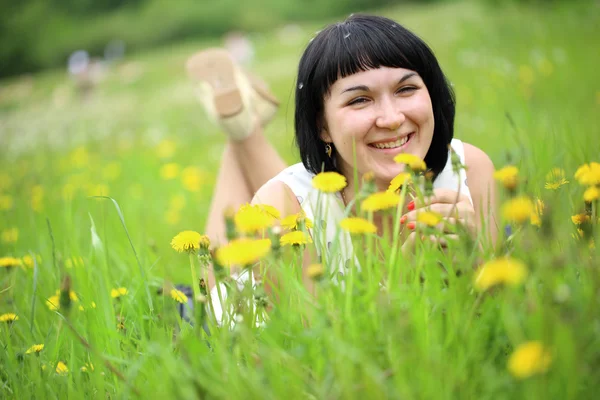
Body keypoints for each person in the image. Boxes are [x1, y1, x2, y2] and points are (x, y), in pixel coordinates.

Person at [186, 14, 498, 294]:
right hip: (241, 322)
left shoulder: (468, 171)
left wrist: (477, 260)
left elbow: (502, 308)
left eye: (406, 89)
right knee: (212, 287)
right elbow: (311, 345)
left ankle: (241, 128)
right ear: (321, 125)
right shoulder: (279, 205)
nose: (391, 119)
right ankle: (241, 131)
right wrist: (403, 280)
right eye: (360, 100)